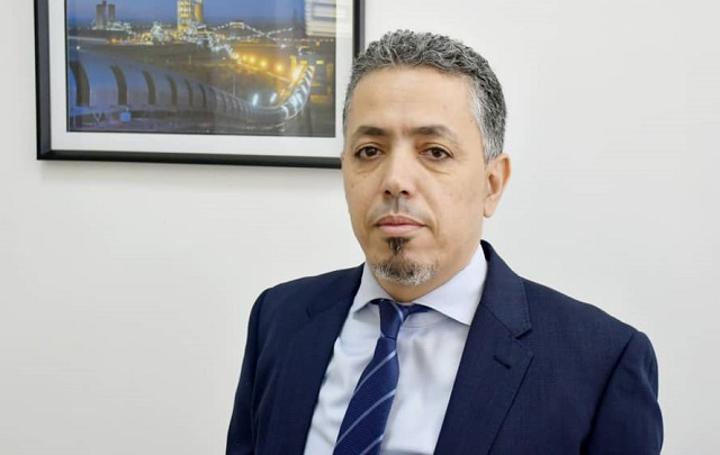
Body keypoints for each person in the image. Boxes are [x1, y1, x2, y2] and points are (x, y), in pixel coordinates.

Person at [226, 30, 663, 455]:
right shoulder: (278, 318)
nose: (395, 180)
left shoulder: (601, 362)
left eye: (435, 152)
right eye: (370, 151)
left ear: (492, 183)